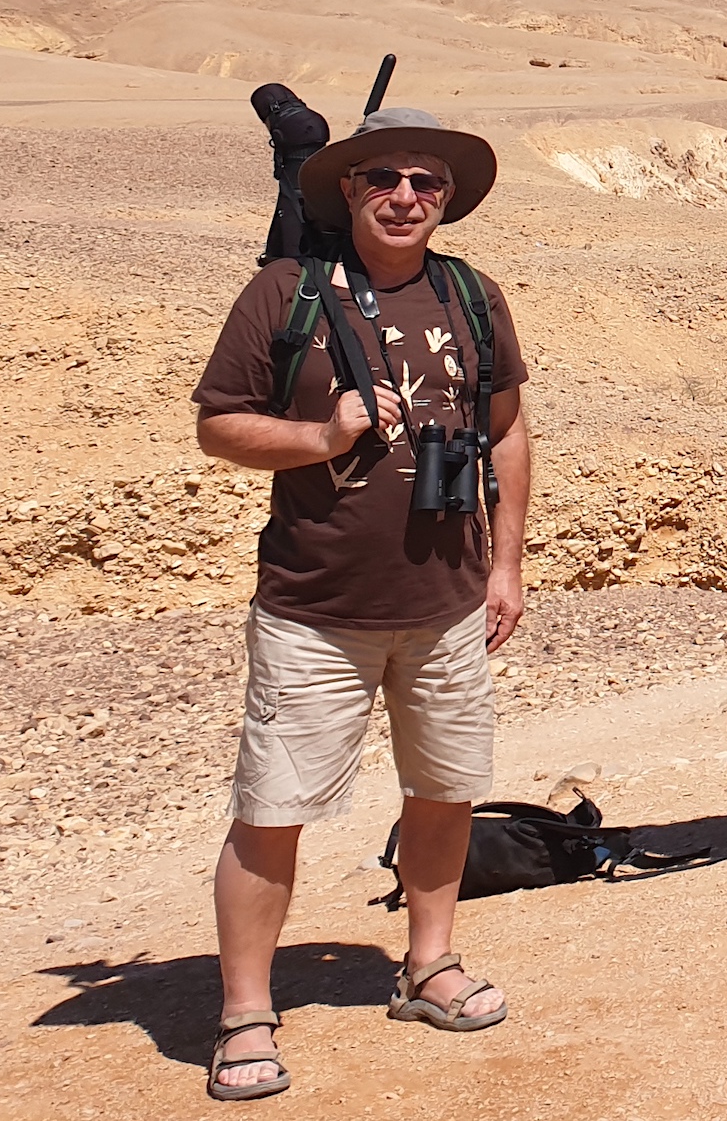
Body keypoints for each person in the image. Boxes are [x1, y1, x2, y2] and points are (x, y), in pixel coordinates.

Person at [191, 106, 532, 1101]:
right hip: (315, 607)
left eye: (427, 182)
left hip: (448, 598)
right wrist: (323, 436)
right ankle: (246, 1010)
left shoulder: (472, 296)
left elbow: (507, 433)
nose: (406, 196)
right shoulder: (282, 295)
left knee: (444, 786)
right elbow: (218, 426)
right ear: (347, 188)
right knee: (273, 806)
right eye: (384, 176)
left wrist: (505, 566)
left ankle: (429, 963)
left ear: (447, 198)